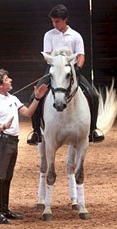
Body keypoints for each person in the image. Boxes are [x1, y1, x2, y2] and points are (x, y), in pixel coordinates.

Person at [27, 4, 104, 145]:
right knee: (34, 96)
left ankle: (93, 129)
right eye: (53, 21)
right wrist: (57, 60)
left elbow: (81, 56)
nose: (54, 24)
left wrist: (78, 67)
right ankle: (36, 131)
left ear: (65, 19)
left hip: (71, 70)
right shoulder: (48, 35)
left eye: (57, 21)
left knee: (93, 95)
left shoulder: (75, 36)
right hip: (54, 69)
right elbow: (47, 55)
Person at [0, 69, 48, 224]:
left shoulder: (12, 98)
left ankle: (5, 209)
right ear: (0, 85)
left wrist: (37, 99)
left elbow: (27, 113)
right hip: (2, 141)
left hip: (13, 141)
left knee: (7, 177)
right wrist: (3, 127)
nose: (11, 80)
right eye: (7, 79)